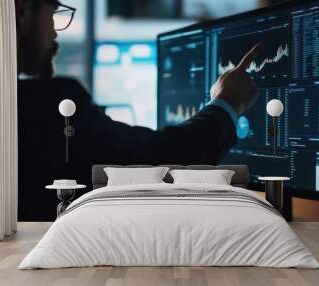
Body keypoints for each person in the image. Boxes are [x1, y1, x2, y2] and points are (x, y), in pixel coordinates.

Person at [15, 0, 262, 221]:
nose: (55, 31)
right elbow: (156, 160)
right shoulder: (50, 103)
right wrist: (227, 102)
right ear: (24, 12)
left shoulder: (4, 100)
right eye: (52, 15)